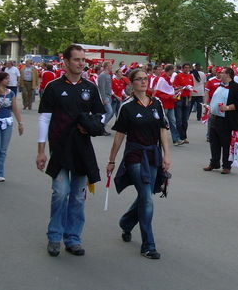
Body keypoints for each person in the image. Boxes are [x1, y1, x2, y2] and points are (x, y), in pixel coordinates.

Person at [36, 44, 106, 257]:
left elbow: (101, 115)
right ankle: (54, 236)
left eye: (83, 60)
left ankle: (73, 238)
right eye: (76, 59)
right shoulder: (54, 87)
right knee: (60, 193)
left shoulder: (90, 87)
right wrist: (41, 151)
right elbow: (44, 118)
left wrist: (91, 125)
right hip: (59, 149)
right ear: (65, 61)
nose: (81, 63)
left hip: (81, 149)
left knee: (77, 195)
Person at [106, 69, 171, 260]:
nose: (144, 82)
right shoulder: (126, 107)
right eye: (139, 79)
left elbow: (163, 130)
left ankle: (126, 223)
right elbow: (119, 135)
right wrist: (111, 160)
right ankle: (148, 245)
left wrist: (166, 155)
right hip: (134, 156)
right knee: (146, 198)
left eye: (146, 79)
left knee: (146, 195)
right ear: (131, 83)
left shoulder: (156, 103)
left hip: (153, 155)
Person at [203, 67, 238, 174]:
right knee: (214, 142)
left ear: (227, 75)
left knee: (225, 143)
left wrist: (227, 107)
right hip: (214, 117)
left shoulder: (236, 88)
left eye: (221, 73)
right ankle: (214, 163)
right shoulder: (220, 85)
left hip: (226, 120)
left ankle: (227, 165)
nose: (219, 75)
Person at [0, 71, 24, 181]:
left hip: (7, 122)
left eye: (8, 78)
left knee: (3, 150)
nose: (8, 80)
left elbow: (15, 108)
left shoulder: (11, 93)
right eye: (6, 78)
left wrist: (20, 123)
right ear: (0, 80)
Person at [172, 63, 194, 144]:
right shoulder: (178, 76)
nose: (186, 69)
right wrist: (181, 88)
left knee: (185, 120)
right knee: (179, 119)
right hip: (179, 98)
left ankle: (184, 137)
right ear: (182, 68)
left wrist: (190, 97)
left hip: (187, 99)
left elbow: (191, 88)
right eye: (185, 68)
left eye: (188, 68)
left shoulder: (190, 76)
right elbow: (174, 86)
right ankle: (179, 137)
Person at [98, 61, 114, 135]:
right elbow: (101, 88)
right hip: (106, 97)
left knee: (107, 113)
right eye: (110, 65)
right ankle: (100, 127)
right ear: (107, 66)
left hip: (109, 96)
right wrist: (103, 98)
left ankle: (101, 127)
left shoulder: (108, 75)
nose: (111, 66)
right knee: (110, 112)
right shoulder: (102, 75)